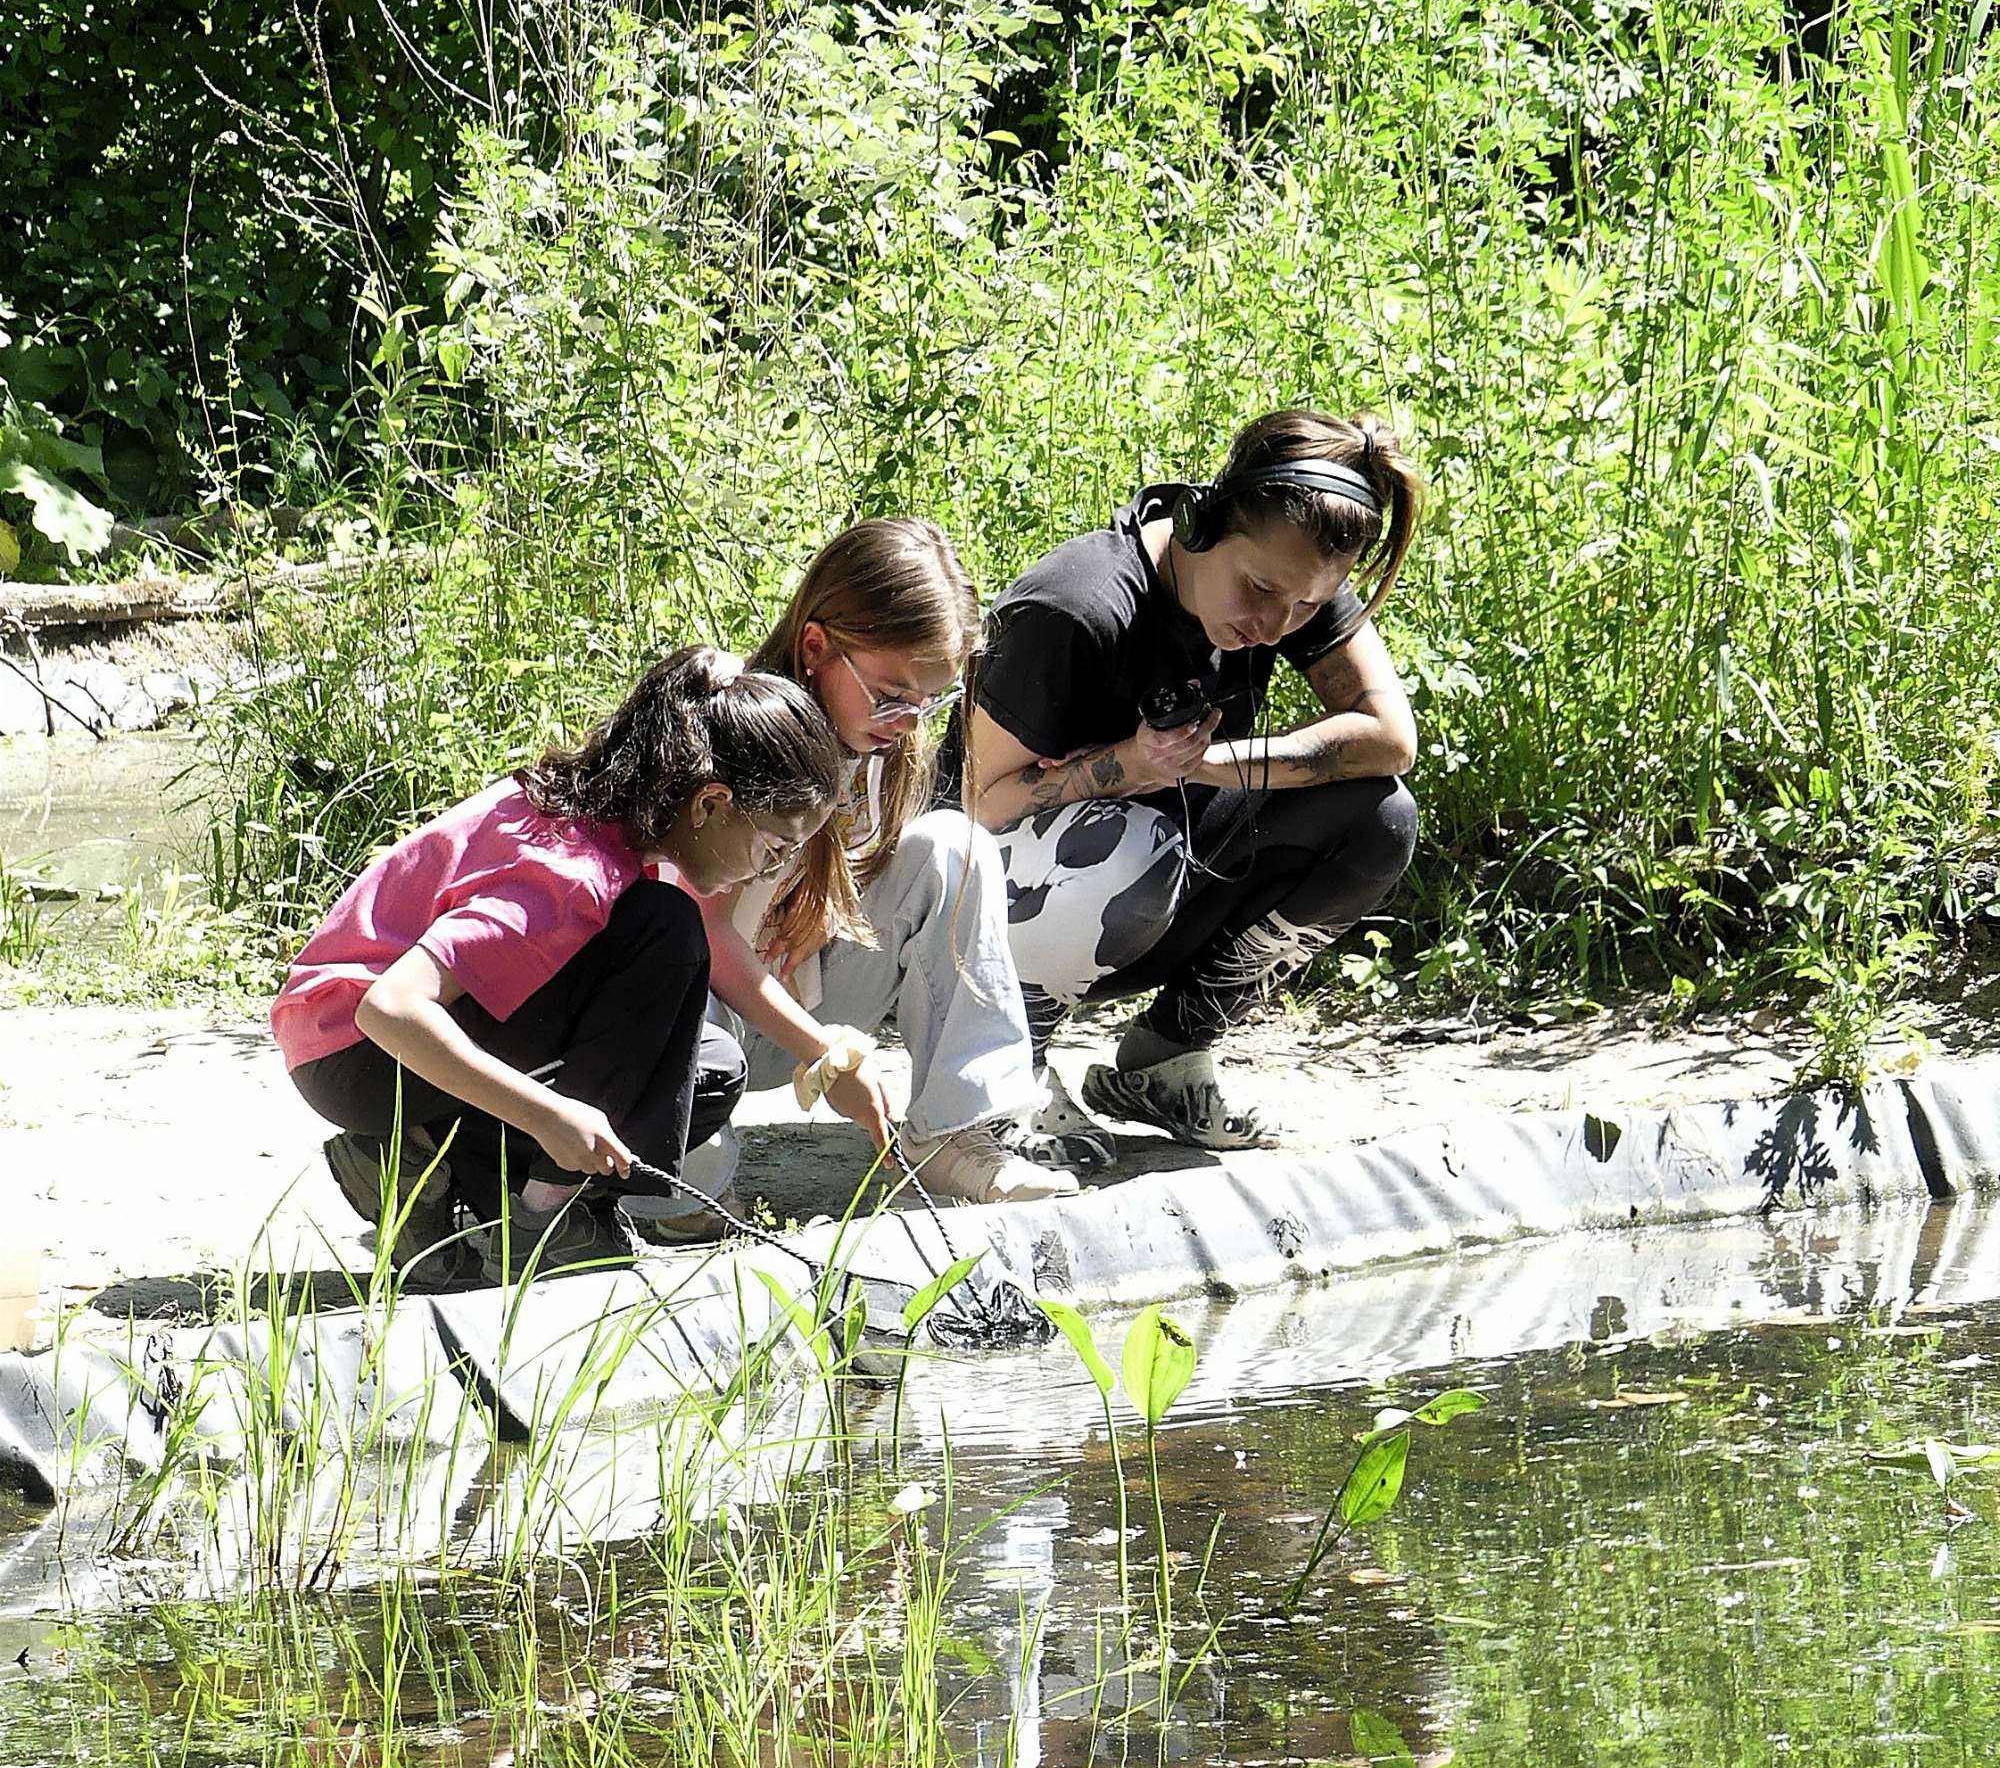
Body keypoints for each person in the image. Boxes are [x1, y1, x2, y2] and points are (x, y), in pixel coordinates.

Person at [271, 649, 848, 1277]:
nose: (766, 872)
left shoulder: (620, 819)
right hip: (352, 1051)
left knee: (706, 1073)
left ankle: (423, 1166)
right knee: (668, 930)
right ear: (708, 805)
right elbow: (389, 1007)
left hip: (377, 1044)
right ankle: (543, 1217)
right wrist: (546, 1116)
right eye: (773, 848)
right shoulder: (567, 874)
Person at [960, 404, 1425, 1151]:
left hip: (1149, 891)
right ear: (1203, 522)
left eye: (1305, 604)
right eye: (1261, 591)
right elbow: (970, 807)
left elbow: (1390, 738)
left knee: (1379, 819)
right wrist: (1124, 768)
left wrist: (1212, 765)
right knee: (1132, 838)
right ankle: (1002, 1061)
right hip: (992, 920)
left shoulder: (1291, 573)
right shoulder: (1076, 607)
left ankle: (1167, 1059)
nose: (1276, 624)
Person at [695, 520, 1077, 1205]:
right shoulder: (740, 739)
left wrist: (827, 901)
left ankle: (954, 1133)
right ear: (816, 646)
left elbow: (874, 865)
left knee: (955, 847)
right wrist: (824, 1051)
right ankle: (685, 1157)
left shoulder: (883, 745)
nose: (908, 720)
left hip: (785, 1006)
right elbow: (700, 937)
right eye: (891, 694)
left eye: (932, 702)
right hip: (700, 1030)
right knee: (683, 1201)